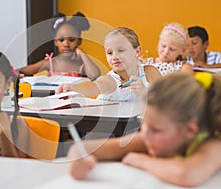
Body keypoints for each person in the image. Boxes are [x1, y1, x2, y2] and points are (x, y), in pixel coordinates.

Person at [68, 72, 221, 187]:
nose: (145, 134)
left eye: (155, 129)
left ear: (190, 131)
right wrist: (78, 157)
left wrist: (141, 161)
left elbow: (186, 175)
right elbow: (87, 148)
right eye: (144, 124)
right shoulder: (150, 138)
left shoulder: (214, 145)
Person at [56, 27, 161, 102]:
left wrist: (146, 94)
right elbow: (92, 87)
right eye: (110, 53)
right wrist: (72, 88)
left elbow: (168, 100)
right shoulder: (110, 80)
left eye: (121, 50)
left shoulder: (150, 72)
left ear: (137, 51)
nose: (114, 57)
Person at [18, 12, 100, 80]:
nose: (66, 44)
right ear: (55, 42)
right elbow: (24, 71)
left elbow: (95, 75)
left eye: (71, 40)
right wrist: (13, 74)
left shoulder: (81, 64)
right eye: (61, 40)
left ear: (79, 41)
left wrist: (82, 53)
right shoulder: (51, 63)